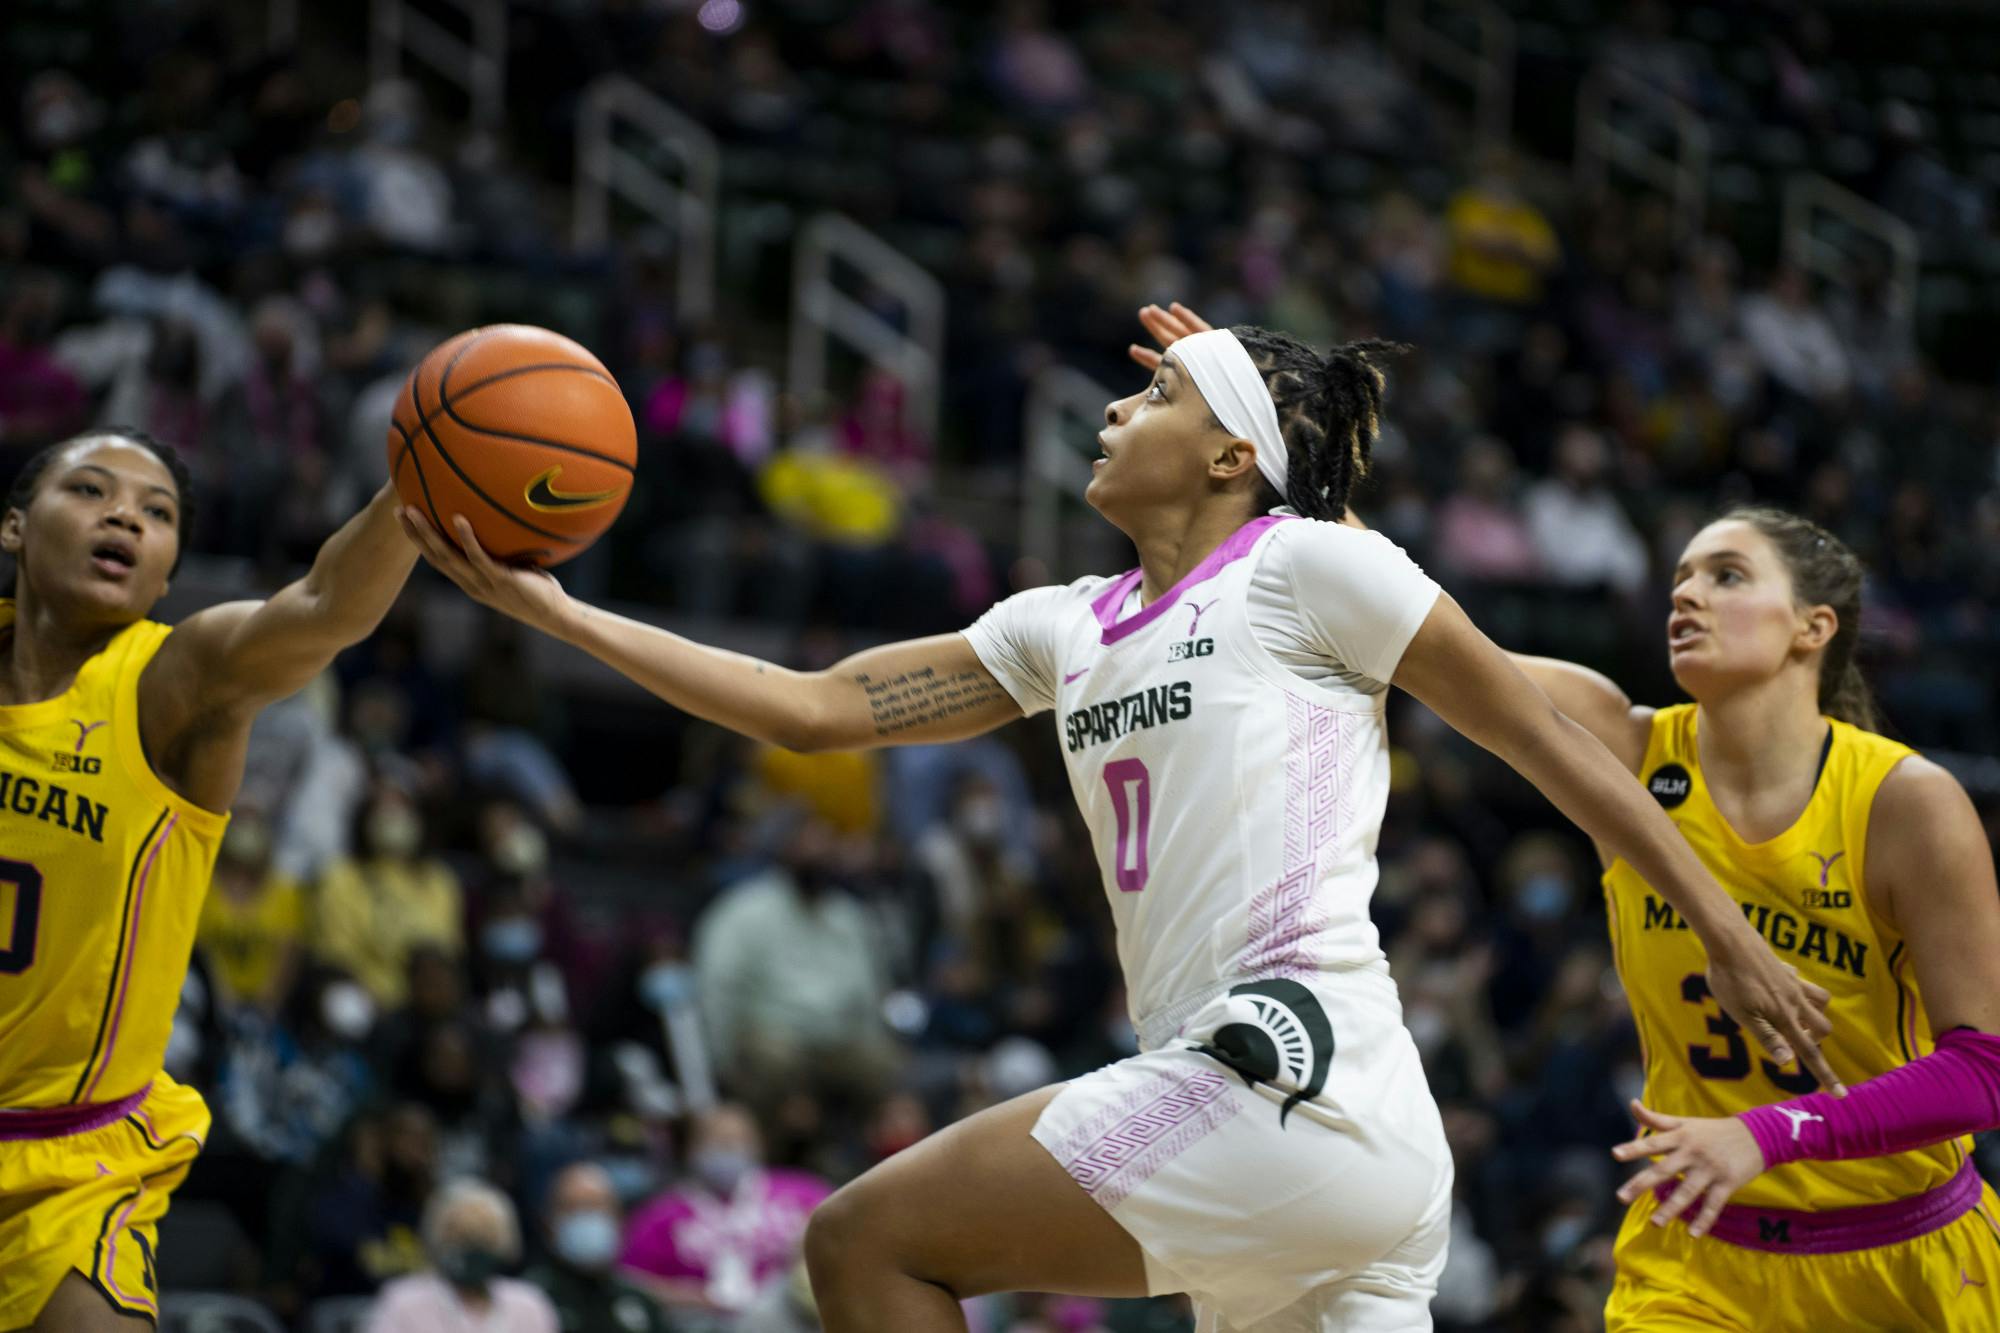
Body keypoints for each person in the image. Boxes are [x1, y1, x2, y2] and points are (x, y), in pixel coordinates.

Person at [402, 302, 1832, 1332]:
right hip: (1314, 1145)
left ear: (1231, 461)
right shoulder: (1064, 626)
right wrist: (560, 611)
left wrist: (1724, 927)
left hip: (1291, 1071)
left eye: (1152, 399)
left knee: (866, 1245)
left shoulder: (1314, 568)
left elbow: (1543, 742)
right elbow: (811, 706)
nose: (1109, 408)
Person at [1497, 507, 2000, 1330]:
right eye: (1681, 578)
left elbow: (1985, 1070)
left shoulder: (1906, 802)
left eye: (1726, 575)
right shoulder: (1623, 750)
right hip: (1697, 1264)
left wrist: (1772, 1133)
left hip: (1904, 1256)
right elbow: (1415, 630)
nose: (1687, 595)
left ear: (1813, 626)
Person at [0, 426, 418, 1331]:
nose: (125, 516)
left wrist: (417, 490)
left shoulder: (173, 681)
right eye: (90, 491)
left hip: (64, 1167)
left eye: (158, 514)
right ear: (14, 528)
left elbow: (323, 605)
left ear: (167, 570)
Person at [621, 1103, 830, 1319]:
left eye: (738, 1141)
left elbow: (838, 1240)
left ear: (758, 1145)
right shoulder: (661, 1215)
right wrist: (687, 1297)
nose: (729, 1149)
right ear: (693, 1149)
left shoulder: (801, 1193)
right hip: (699, 1320)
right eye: (718, 1142)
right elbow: (631, 1282)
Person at [367, 1177, 557, 1333]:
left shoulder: (529, 1305)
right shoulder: (403, 1301)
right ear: (437, 1237)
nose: (472, 1247)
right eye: (460, 1236)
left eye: (484, 1237)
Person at [526, 1161, 678, 1333]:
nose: (588, 1216)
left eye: (598, 1205)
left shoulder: (639, 1300)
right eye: (574, 1207)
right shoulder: (531, 1298)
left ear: (618, 1218)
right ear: (549, 1223)